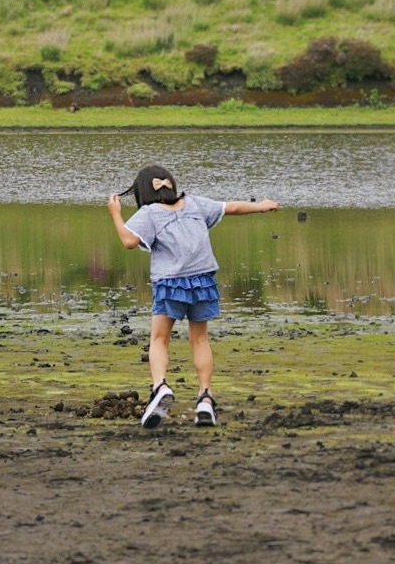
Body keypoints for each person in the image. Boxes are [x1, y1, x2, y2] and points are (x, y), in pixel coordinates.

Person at [107, 164, 279, 428]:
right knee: (200, 340)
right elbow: (231, 207)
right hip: (204, 281)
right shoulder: (195, 204)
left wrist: (115, 214)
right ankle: (205, 398)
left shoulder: (150, 213)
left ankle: (160, 386)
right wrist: (262, 205)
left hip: (170, 283)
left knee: (159, 339)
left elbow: (129, 241)